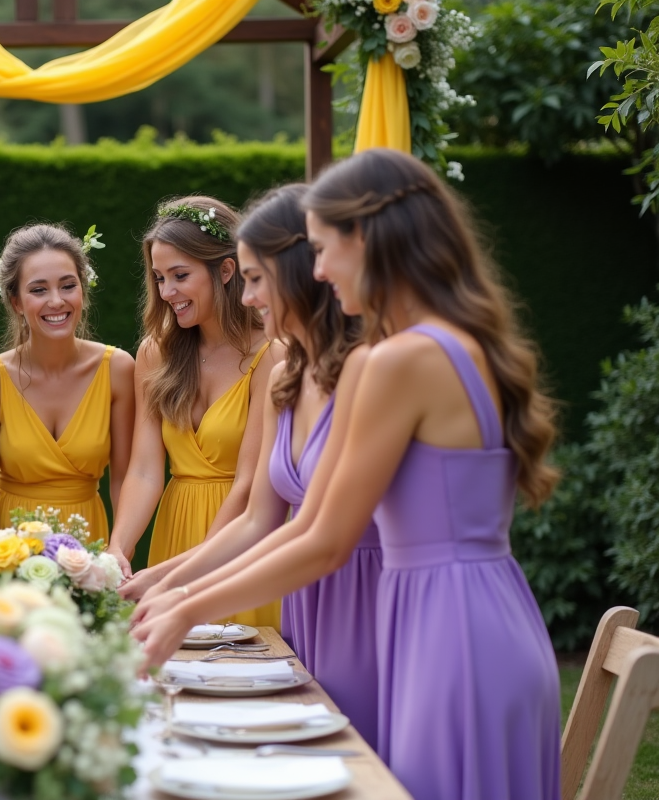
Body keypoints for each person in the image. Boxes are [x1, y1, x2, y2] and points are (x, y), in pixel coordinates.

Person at [135, 149, 561, 800]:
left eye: (325, 247)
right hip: (474, 619)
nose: (321, 267)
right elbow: (299, 524)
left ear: (370, 240)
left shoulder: (400, 359)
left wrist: (183, 606)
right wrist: (170, 592)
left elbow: (325, 537)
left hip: (451, 636)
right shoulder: (451, 341)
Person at [128, 185, 382, 745]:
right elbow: (264, 519)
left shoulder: (334, 367)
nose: (248, 297)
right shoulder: (296, 373)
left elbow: (304, 526)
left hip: (350, 590)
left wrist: (188, 596)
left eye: (257, 279)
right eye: (159, 278)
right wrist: (149, 574)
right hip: (295, 582)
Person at [107, 196, 284, 629]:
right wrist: (119, 548)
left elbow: (248, 486)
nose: (167, 293)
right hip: (175, 530)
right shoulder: (155, 352)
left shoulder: (273, 354)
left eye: (180, 276)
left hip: (242, 540)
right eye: (159, 278)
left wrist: (186, 574)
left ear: (225, 271)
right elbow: (146, 469)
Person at [0, 224, 135, 541]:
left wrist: (118, 556)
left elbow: (124, 481)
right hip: (11, 547)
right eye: (39, 290)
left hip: (88, 543)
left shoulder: (118, 369)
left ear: (82, 289)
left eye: (68, 286)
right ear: (16, 302)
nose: (56, 301)